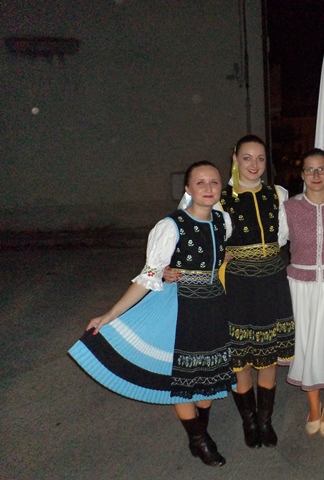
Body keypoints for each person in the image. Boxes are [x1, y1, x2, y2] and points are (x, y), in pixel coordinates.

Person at [68, 161, 234, 468]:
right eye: (200, 182)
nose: (208, 188)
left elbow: (220, 256)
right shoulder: (170, 226)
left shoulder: (223, 220)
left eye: (214, 181)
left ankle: (201, 430)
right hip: (181, 307)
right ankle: (199, 439)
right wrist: (110, 314)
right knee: (182, 377)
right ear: (188, 188)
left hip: (214, 305)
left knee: (208, 376)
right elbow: (148, 276)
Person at [220, 135, 294, 449]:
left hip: (272, 281)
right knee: (243, 359)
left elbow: (285, 236)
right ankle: (249, 421)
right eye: (247, 157)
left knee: (268, 355)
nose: (254, 164)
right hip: (239, 284)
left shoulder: (278, 194)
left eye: (260, 158)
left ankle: (265, 420)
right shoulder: (220, 198)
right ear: (235, 158)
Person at [280, 148, 324, 437]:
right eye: (310, 169)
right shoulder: (289, 208)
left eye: (321, 168)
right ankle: (313, 406)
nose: (316, 175)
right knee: (307, 345)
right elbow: (273, 242)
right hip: (301, 287)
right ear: (302, 175)